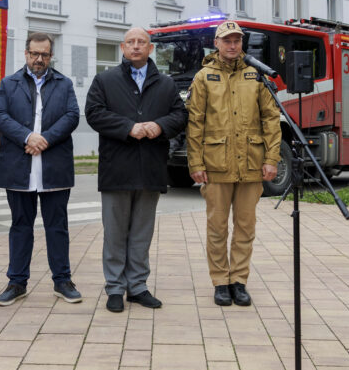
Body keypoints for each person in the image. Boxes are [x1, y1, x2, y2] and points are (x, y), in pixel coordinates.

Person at [85, 27, 188, 313]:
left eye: (142, 42)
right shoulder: (105, 80)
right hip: (116, 168)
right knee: (115, 233)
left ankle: (138, 287)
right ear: (122, 47)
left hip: (150, 169)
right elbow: (94, 113)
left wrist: (160, 126)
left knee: (142, 233)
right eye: (130, 42)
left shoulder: (166, 84)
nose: (136, 46)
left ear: (151, 49)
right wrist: (128, 127)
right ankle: (115, 288)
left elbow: (180, 115)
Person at [186, 21, 281, 306]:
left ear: (242, 44)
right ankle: (220, 281)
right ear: (216, 43)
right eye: (227, 40)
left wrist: (272, 158)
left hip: (251, 164)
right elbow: (194, 124)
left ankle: (239, 280)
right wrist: (195, 162)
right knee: (217, 227)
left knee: (245, 227)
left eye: (237, 40)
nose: (232, 45)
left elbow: (271, 120)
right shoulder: (204, 77)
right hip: (216, 165)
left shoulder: (256, 76)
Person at [0, 33, 82, 305]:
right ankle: (17, 283)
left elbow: (72, 116)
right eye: (34, 54)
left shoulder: (64, 84)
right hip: (19, 166)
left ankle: (62, 281)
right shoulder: (9, 84)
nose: (39, 59)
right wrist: (28, 137)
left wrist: (45, 140)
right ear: (26, 53)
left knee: (58, 227)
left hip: (54, 165)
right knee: (20, 226)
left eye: (44, 54)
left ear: (51, 56)